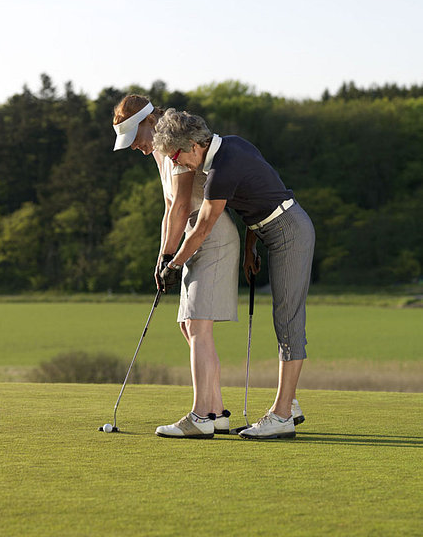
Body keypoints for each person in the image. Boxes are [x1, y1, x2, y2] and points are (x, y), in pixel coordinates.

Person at [154, 109, 315, 440]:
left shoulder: (221, 170)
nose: (177, 163)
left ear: (194, 145)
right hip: (275, 228)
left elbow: (201, 230)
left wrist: (172, 264)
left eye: (177, 155)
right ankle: (290, 404)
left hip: (290, 231)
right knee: (285, 319)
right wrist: (249, 246)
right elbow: (259, 193)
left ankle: (282, 415)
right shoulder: (232, 145)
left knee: (288, 320)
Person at [112, 95, 240, 439]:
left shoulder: (175, 141)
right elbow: (170, 205)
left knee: (198, 326)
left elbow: (185, 203)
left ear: (148, 123)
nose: (136, 148)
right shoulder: (157, 150)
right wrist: (162, 255)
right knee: (188, 326)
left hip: (211, 237)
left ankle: (201, 416)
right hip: (190, 240)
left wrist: (172, 257)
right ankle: (216, 412)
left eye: (135, 139)